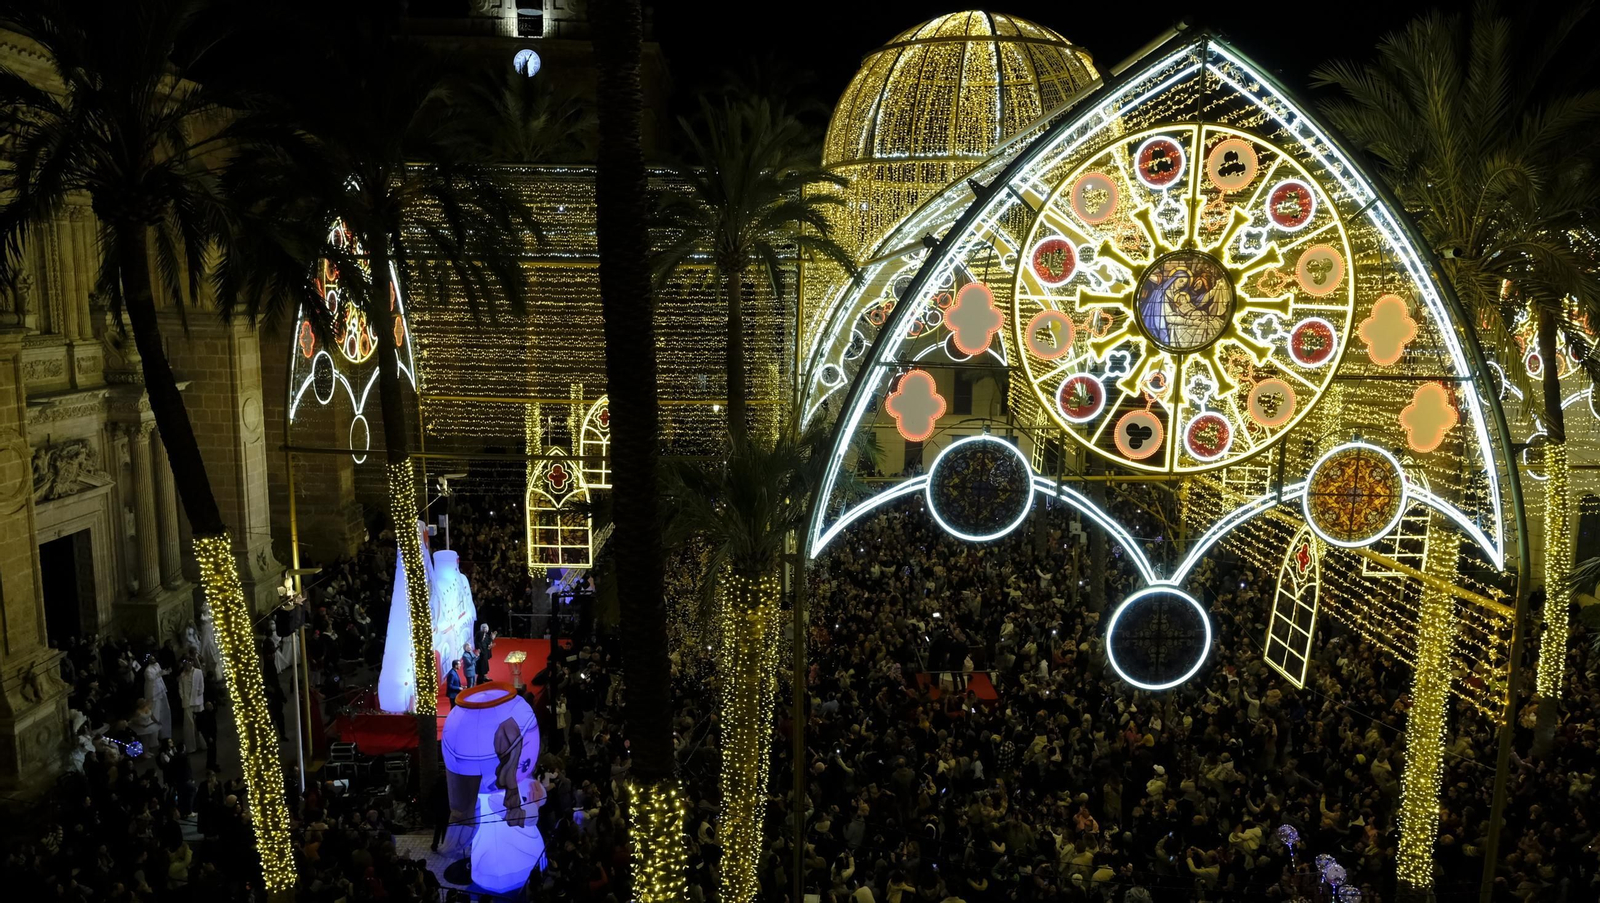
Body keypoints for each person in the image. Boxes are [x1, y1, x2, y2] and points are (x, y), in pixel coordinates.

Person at [142, 654, 172, 739]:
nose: (153, 660)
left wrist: (167, 672)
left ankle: (164, 734)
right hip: (153, 695)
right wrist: (160, 673)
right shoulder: (148, 670)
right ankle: (154, 738)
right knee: (155, 714)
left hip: (161, 692)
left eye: (154, 658)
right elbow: (151, 678)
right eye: (151, 659)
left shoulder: (157, 665)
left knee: (165, 712)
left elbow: (161, 673)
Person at [178, 658, 204, 750]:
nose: (187, 665)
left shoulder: (198, 672)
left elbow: (201, 686)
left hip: (197, 701)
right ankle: (191, 747)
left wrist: (198, 695)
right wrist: (183, 697)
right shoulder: (182, 675)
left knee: (200, 724)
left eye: (189, 663)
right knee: (189, 725)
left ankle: (203, 743)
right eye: (186, 663)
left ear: (192, 663)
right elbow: (180, 687)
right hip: (187, 702)